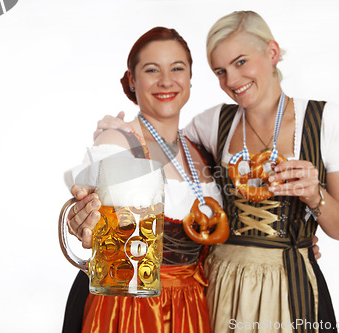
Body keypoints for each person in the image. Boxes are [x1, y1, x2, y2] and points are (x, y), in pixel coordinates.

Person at [79, 11, 339, 333]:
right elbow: (148, 157)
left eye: (241, 62)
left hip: (285, 281)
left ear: (272, 52)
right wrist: (111, 143)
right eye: (221, 71)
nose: (232, 81)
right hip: (215, 287)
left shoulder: (324, 120)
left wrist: (312, 202)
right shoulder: (211, 126)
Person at [61, 27, 224, 333]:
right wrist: (80, 220)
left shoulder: (200, 148)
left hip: (194, 306)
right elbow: (89, 214)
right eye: (152, 70)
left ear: (190, 78)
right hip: (129, 305)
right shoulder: (117, 140)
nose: (166, 80)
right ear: (132, 80)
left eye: (178, 68)